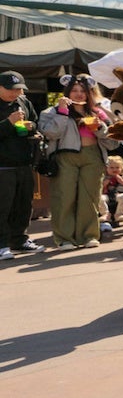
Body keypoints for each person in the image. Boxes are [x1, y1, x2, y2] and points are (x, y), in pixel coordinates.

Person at [38, 74, 117, 249]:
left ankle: (88, 236)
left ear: (89, 93)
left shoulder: (97, 113)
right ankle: (64, 238)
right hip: (65, 156)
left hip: (93, 156)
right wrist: (62, 112)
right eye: (74, 90)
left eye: (83, 91)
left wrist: (99, 128)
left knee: (90, 197)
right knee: (64, 197)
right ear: (66, 92)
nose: (79, 94)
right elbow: (51, 133)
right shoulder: (50, 112)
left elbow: (113, 141)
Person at [0, 71, 43, 260]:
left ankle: (19, 240)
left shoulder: (24, 102)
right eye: (11, 89)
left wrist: (30, 127)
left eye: (19, 89)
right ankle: (1, 245)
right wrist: (8, 124)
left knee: (24, 204)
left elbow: (35, 121)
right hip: (2, 166)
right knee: (3, 207)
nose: (15, 93)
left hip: (24, 162)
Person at [101, 154, 123, 229]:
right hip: (106, 195)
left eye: (117, 167)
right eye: (111, 168)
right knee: (99, 198)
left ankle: (118, 214)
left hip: (119, 195)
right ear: (106, 168)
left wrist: (121, 181)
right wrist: (104, 184)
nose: (114, 169)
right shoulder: (103, 177)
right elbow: (98, 189)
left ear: (121, 168)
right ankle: (106, 214)